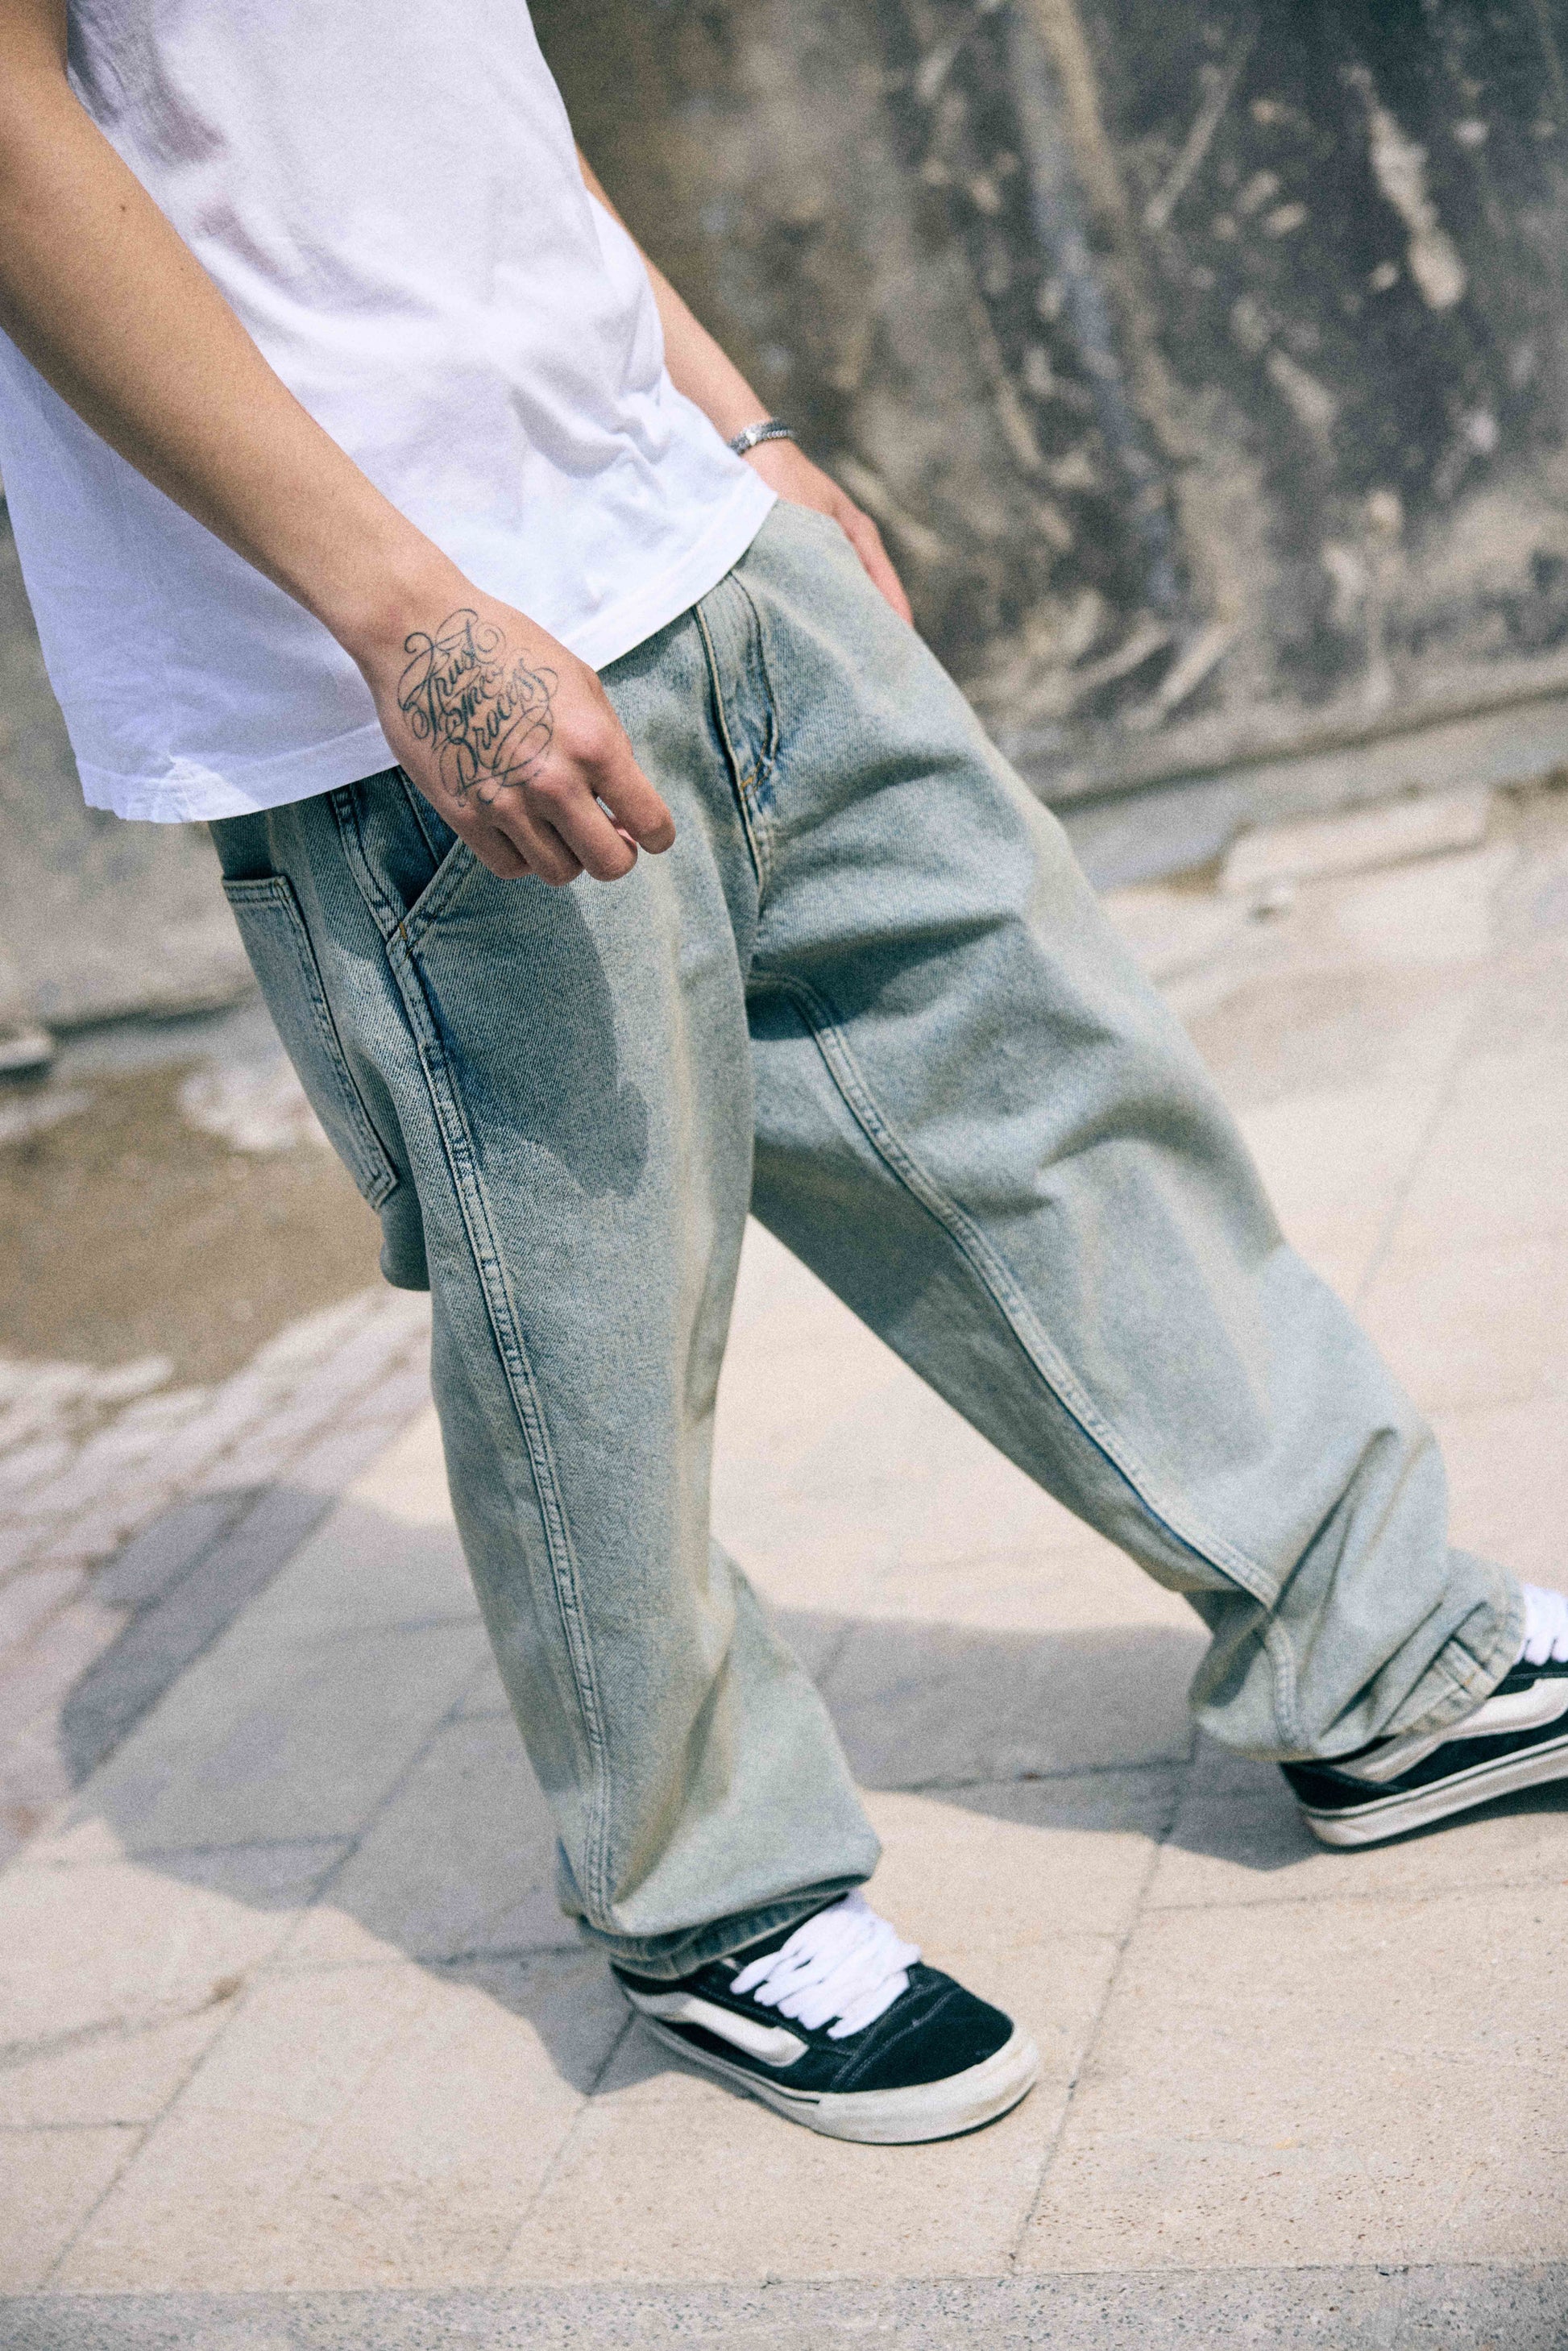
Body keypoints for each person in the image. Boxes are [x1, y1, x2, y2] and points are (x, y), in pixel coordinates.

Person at [2, 0, 1565, 2150]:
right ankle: (705, 1890)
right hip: (399, 657)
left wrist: (724, 420)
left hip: (682, 525)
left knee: (1053, 1088)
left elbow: (453, 102)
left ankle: (1386, 1662)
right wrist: (406, 618)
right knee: (591, 1311)